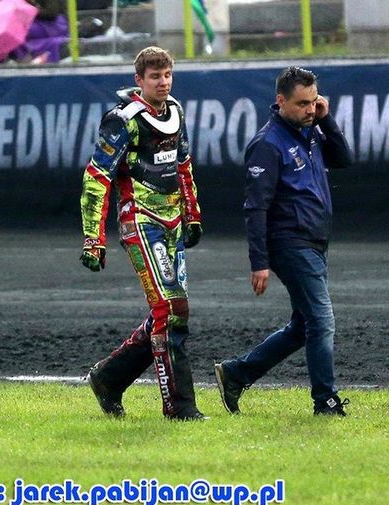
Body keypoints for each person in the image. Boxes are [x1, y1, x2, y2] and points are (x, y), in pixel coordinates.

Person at [213, 66, 354, 417]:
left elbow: (344, 159)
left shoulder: (310, 131)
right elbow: (255, 207)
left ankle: (236, 373)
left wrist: (326, 119)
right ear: (280, 101)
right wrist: (259, 261)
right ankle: (326, 401)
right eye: (302, 103)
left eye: (313, 102)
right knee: (321, 320)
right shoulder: (267, 144)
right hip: (289, 242)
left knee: (303, 326)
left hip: (314, 241)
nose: (309, 109)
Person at [80, 46, 206, 421]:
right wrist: (93, 238)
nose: (163, 82)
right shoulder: (123, 121)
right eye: (155, 77)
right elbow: (97, 177)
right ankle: (179, 407)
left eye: (167, 75)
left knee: (170, 312)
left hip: (173, 223)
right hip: (140, 220)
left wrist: (192, 214)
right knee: (171, 309)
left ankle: (108, 379)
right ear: (140, 80)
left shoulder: (177, 112)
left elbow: (183, 166)